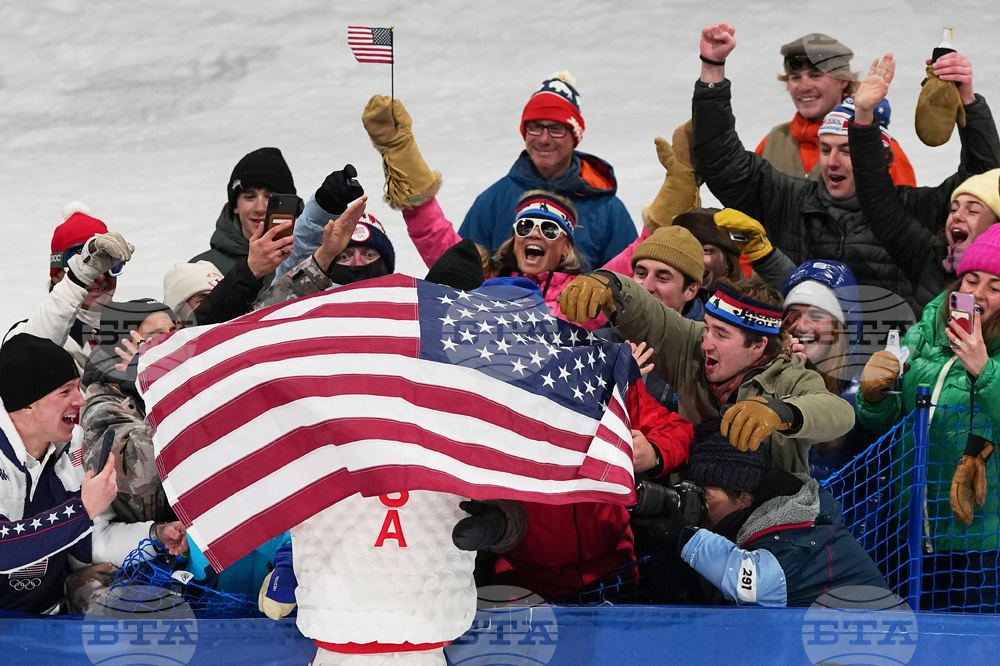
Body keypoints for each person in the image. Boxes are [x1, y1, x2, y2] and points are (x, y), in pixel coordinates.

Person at [692, 24, 999, 315]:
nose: (832, 161)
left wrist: (968, 100)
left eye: (847, 150)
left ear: (875, 154)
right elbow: (724, 163)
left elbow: (984, 180)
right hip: (801, 352)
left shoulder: (910, 212)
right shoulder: (791, 199)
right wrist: (711, 71)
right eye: (825, 149)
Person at [559, 271, 856, 474]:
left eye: (721, 334)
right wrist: (609, 284)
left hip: (766, 518)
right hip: (695, 502)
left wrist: (784, 412)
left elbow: (839, 413)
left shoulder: (789, 376)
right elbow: (649, 313)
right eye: (708, 326)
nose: (706, 342)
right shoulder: (693, 342)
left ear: (758, 346)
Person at [857, 225, 1000, 611]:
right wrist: (874, 395)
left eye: (995, 286)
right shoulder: (925, 334)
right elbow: (889, 423)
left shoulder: (990, 357)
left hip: (983, 543)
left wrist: (984, 369)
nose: (978, 294)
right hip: (913, 530)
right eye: (972, 279)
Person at [0, 334, 186, 614]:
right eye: (65, 391)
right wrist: (81, 510)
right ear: (26, 405)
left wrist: (155, 536)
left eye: (77, 387)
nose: (81, 399)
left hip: (49, 614)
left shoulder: (74, 444)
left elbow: (91, 542)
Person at [398, 72, 637, 268]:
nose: (544, 139)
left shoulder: (608, 210)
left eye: (556, 129)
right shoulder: (494, 201)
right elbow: (459, 271)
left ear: (575, 136)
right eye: (534, 127)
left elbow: (630, 286)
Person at [637, 421, 888, 607]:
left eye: (705, 497)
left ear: (744, 499)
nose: (699, 507)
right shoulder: (756, 524)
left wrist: (685, 538)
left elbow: (753, 585)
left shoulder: (796, 527)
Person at [755, 33, 915, 186]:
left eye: (816, 75)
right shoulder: (773, 141)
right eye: (795, 77)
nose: (803, 87)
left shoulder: (878, 148)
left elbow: (903, 212)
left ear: (842, 80)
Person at [79, 300, 178, 525]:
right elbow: (142, 470)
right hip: (151, 548)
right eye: (155, 336)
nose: (170, 342)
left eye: (173, 332)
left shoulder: (176, 377)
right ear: (122, 349)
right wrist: (158, 387)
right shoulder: (101, 409)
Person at [7, 204, 134, 374]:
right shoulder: (24, 335)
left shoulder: (134, 327)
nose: (100, 277)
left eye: (110, 266)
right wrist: (77, 280)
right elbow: (28, 358)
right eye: (88, 268)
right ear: (57, 275)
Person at [191, 147, 297, 273]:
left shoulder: (317, 259)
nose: (260, 208)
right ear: (235, 205)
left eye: (270, 198)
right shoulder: (201, 271)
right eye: (250, 197)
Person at [671, 208, 748, 293]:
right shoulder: (660, 302)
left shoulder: (748, 304)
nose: (693, 258)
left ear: (728, 262)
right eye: (684, 249)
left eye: (706, 250)